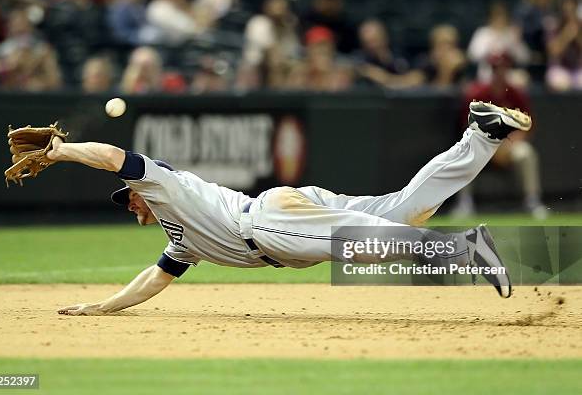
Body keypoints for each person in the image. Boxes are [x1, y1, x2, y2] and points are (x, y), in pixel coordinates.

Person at [51, 102, 532, 315]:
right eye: (127, 201)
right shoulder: (181, 236)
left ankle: (466, 250)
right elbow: (154, 279)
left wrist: (61, 152)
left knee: (367, 245)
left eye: (128, 198)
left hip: (270, 227)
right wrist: (102, 307)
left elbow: (115, 158)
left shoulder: (165, 187)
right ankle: (483, 134)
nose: (130, 204)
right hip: (285, 213)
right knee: (403, 213)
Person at [453, 53, 547, 219]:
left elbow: (526, 125)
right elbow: (468, 125)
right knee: (466, 152)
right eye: (496, 68)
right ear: (491, 70)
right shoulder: (479, 92)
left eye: (503, 68)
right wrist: (493, 144)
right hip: (484, 144)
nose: (500, 72)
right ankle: (464, 203)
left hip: (509, 146)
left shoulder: (515, 94)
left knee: (526, 153)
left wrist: (508, 143)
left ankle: (532, 201)